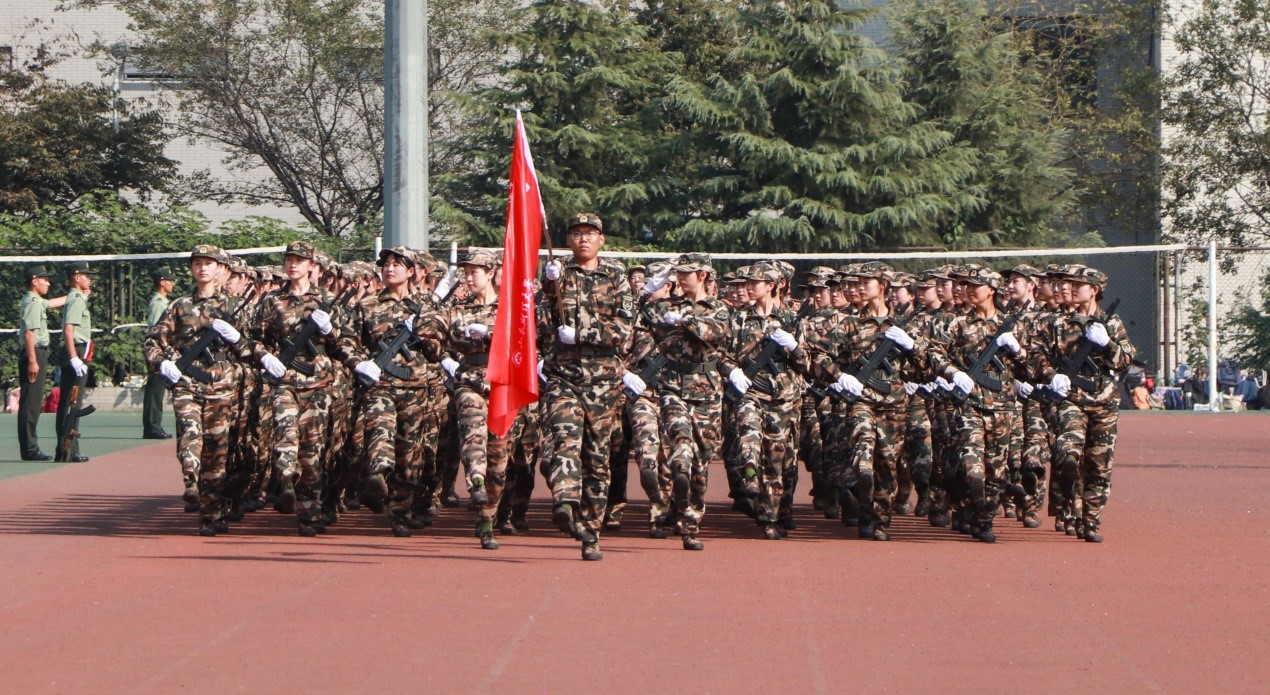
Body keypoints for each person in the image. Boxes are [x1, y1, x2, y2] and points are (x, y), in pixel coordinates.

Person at [539, 212, 635, 561]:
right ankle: (565, 501)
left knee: (597, 459)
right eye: (577, 233)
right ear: (567, 240)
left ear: (601, 240)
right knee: (565, 438)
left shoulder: (616, 277)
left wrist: (582, 333)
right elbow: (541, 315)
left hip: (604, 381)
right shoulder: (557, 273)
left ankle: (591, 531)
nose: (583, 239)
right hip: (564, 376)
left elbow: (624, 330)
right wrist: (548, 283)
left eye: (590, 234)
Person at [144, 245, 253, 535]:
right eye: (197, 264)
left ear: (220, 269)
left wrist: (238, 339)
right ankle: (191, 481)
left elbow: (254, 350)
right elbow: (152, 341)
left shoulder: (235, 306)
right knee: (190, 433)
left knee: (217, 452)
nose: (202, 268)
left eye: (208, 263)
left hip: (221, 386)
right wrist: (162, 363)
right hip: (187, 384)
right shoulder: (179, 306)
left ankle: (210, 515)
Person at [17, 265, 67, 461]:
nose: (48, 283)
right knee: (31, 403)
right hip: (34, 353)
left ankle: (30, 447)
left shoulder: (36, 301)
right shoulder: (33, 303)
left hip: (37, 353)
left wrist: (77, 295)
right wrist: (32, 360)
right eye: (45, 279)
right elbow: (29, 334)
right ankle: (29, 449)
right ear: (34, 281)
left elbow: (52, 303)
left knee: (33, 401)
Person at [55, 261, 96, 463]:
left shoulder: (77, 297)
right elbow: (69, 329)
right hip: (76, 350)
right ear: (77, 277)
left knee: (70, 401)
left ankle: (65, 449)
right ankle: (68, 449)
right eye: (86, 276)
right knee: (72, 402)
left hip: (77, 350)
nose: (90, 279)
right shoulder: (76, 299)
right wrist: (73, 357)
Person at [143, 268, 176, 439]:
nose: (172, 284)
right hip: (156, 350)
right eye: (169, 280)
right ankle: (152, 427)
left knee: (158, 388)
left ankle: (155, 425)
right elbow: (156, 329)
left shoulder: (162, 302)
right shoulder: (158, 303)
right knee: (155, 389)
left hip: (160, 349)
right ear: (162, 282)